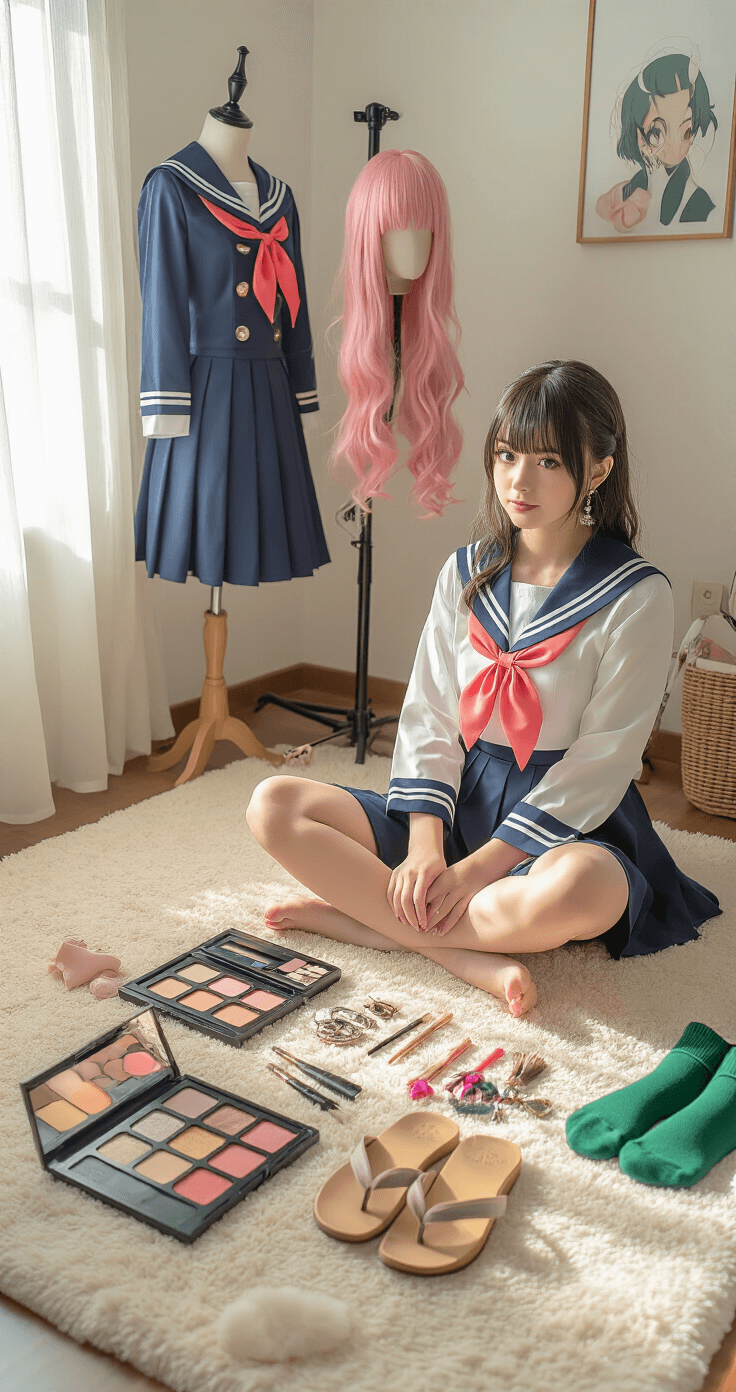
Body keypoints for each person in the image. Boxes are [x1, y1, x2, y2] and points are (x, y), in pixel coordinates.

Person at [246, 361, 720, 1017]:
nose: (517, 480)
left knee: (581, 892)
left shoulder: (636, 595)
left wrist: (473, 872)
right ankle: (455, 952)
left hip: (565, 824)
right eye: (506, 454)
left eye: (549, 461)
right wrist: (424, 847)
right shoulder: (465, 572)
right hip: (457, 797)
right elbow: (429, 715)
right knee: (274, 805)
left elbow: (602, 762)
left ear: (600, 470)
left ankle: (370, 924)